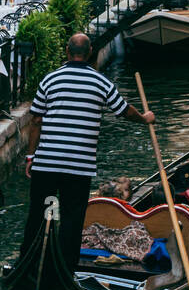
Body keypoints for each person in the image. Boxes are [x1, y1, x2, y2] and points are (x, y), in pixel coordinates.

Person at [19, 33, 155, 274]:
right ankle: (65, 272)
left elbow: (36, 121)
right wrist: (144, 119)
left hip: (47, 163)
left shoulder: (50, 80)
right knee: (71, 221)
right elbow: (124, 111)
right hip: (78, 167)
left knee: (38, 216)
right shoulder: (100, 82)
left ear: (67, 51)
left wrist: (31, 157)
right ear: (90, 52)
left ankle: (28, 266)